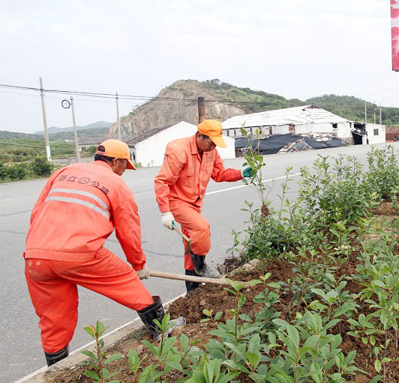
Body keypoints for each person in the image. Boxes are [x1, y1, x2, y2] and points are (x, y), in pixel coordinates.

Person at [24, 139, 175, 367]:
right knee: (126, 282)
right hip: (80, 253)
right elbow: (129, 230)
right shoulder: (115, 183)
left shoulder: (64, 172)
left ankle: (56, 369)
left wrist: (41, 247)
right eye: (125, 165)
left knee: (54, 318)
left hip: (36, 256)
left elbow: (37, 212)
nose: (125, 171)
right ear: (116, 161)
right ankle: (162, 331)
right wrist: (138, 265)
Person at [154, 119, 253, 293]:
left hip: (194, 204)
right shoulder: (179, 150)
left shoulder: (211, 152)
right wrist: (165, 212)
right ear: (199, 136)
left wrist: (240, 173)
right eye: (211, 143)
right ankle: (201, 265)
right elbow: (162, 181)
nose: (213, 147)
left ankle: (192, 289)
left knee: (191, 246)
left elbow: (219, 173)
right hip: (176, 201)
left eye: (216, 144)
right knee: (202, 228)